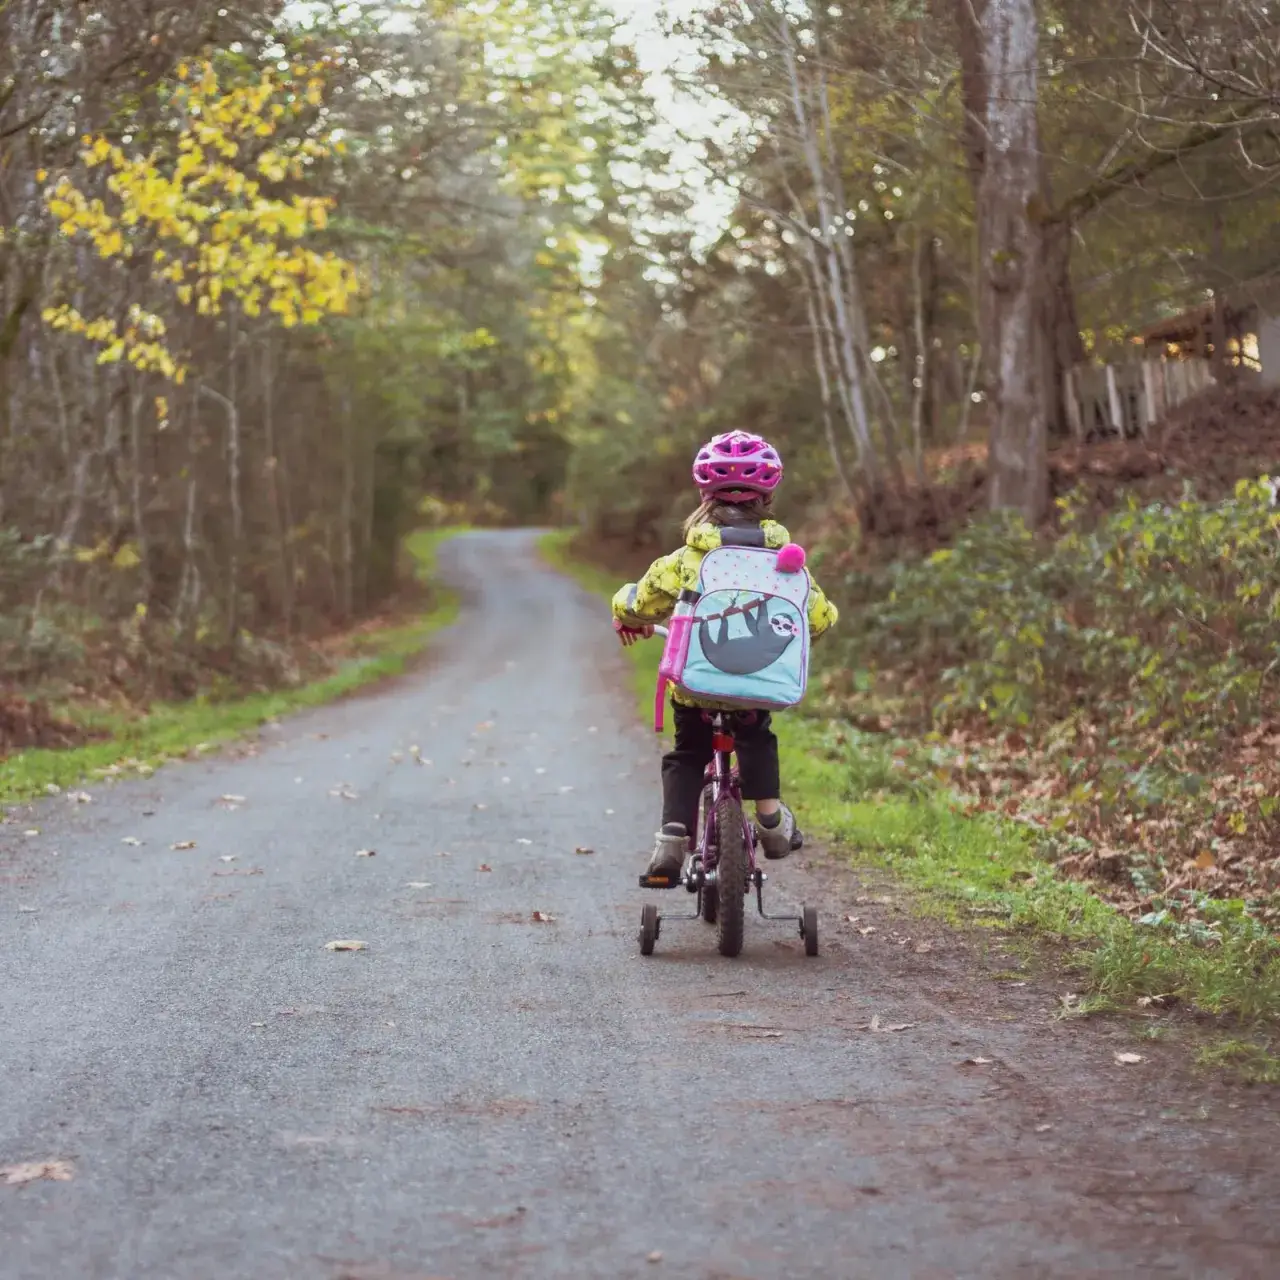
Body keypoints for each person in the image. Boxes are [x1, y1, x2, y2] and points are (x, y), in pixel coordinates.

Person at [611, 431, 839, 881]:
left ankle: (672, 840)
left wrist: (624, 610)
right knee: (757, 737)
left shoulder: (687, 559)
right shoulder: (785, 561)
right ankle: (772, 822)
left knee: (687, 752)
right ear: (768, 496)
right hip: (756, 690)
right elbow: (819, 617)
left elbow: (642, 600)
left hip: (696, 688)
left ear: (704, 494)